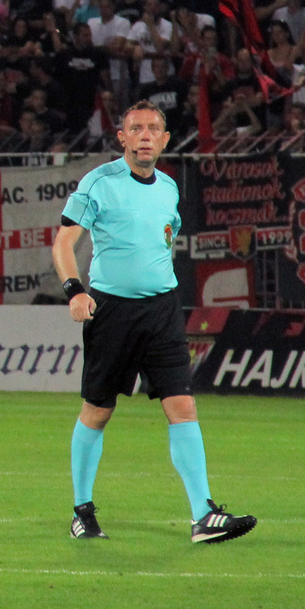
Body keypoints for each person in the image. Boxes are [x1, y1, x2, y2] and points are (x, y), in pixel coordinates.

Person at [51, 100, 256, 545]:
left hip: (162, 309)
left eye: (153, 129)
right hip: (111, 311)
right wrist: (75, 290)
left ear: (164, 140)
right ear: (121, 138)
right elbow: (64, 241)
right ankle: (82, 510)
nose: (144, 135)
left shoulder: (168, 187)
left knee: (183, 406)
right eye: (135, 128)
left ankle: (203, 515)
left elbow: (163, 240)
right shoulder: (97, 182)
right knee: (98, 411)